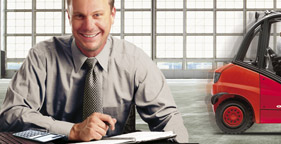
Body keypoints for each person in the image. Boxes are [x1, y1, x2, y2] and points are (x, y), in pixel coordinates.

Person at [0, 0, 188, 142]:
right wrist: (72, 130)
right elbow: (10, 115)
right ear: (69, 16)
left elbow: (168, 118)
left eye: (97, 15)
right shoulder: (42, 56)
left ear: (112, 15)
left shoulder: (135, 60)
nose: (89, 26)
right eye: (80, 16)